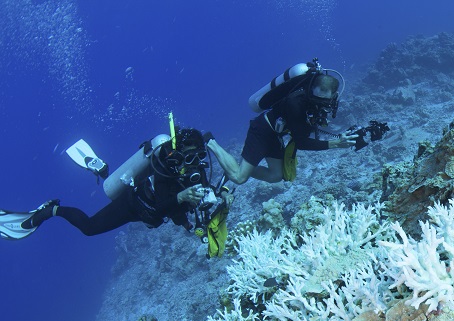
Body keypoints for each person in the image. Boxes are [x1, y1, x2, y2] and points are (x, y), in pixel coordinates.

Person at [0, 127, 231, 249]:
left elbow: (196, 197)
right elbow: (163, 207)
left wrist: (220, 192)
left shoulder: (197, 169)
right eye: (187, 159)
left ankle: (103, 171)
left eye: (198, 157)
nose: (193, 165)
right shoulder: (165, 167)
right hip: (132, 205)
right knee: (89, 228)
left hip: (149, 213)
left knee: (123, 186)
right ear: (178, 155)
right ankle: (51, 210)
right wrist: (181, 198)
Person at [206, 59, 359, 185]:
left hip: (276, 135)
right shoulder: (296, 103)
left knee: (275, 176)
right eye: (316, 99)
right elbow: (301, 143)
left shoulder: (324, 103)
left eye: (324, 101)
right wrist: (336, 143)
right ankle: (211, 142)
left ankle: (235, 166)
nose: (319, 103)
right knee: (240, 178)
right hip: (262, 131)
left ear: (334, 96)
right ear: (311, 89)